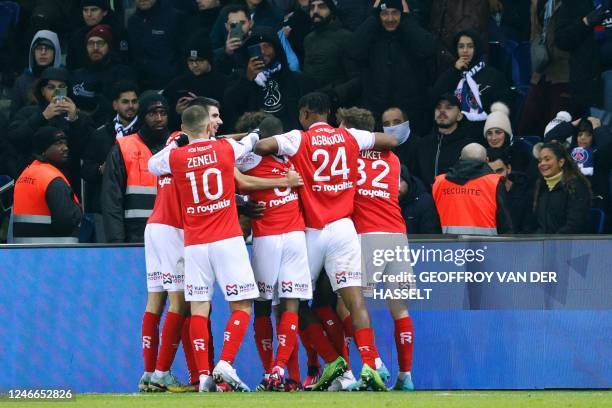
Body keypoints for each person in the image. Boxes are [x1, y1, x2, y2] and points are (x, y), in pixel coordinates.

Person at [255, 92, 400, 391]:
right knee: (353, 298)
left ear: (305, 113)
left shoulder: (298, 137)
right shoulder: (349, 137)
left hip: (312, 230)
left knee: (289, 303)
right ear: (329, 113)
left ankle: (334, 361)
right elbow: (390, 141)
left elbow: (263, 146)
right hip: (344, 228)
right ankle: (371, 363)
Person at [147, 106, 261, 392]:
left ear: (184, 129)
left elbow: (153, 165)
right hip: (226, 237)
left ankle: (203, 377)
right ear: (208, 127)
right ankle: (224, 363)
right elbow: (250, 143)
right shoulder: (224, 149)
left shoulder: (176, 157)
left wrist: (177, 142)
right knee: (243, 304)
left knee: (198, 306)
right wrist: (256, 134)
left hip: (195, 242)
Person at [335, 106, 416, 391]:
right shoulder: (393, 158)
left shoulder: (348, 154)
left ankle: (374, 364)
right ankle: (405, 376)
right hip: (396, 233)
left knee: (346, 304)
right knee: (400, 308)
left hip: (365, 235)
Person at [235, 115, 313, 391]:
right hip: (295, 236)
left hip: (269, 238)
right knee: (291, 303)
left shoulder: (251, 158)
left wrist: (240, 204)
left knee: (264, 306)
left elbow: (226, 169)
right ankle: (281, 370)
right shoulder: (297, 155)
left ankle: (272, 370)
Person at [350, 0, 437, 136]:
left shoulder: (411, 32)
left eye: (395, 13)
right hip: (376, 111)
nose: (390, 19)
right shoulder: (371, 36)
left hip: (412, 112)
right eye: (384, 14)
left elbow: (428, 48)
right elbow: (353, 49)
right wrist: (373, 17)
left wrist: (407, 20)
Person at [7, 67, 93, 193]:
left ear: (68, 90)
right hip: (33, 180)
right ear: (42, 90)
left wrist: (75, 120)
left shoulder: (79, 117)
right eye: (51, 87)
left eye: (61, 87)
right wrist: (42, 117)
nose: (56, 92)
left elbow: (86, 150)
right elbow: (14, 139)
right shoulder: (27, 112)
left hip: (68, 182)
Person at [101, 92, 168, 243]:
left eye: (163, 113)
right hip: (136, 237)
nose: (159, 118)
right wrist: (117, 242)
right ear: (143, 116)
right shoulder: (123, 148)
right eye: (152, 113)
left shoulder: (177, 146)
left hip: (173, 234)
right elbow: (112, 201)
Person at [81, 81, 139, 243]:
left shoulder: (145, 133)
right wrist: (101, 169)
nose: (131, 106)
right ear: (115, 105)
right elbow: (85, 169)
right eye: (125, 102)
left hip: (136, 209)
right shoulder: (100, 135)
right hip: (104, 209)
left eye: (134, 101)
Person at [224, 26, 311, 130]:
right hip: (256, 136)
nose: (263, 52)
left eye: (267, 46)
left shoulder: (295, 78)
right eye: (257, 47)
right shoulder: (239, 76)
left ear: (276, 49)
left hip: (289, 136)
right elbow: (230, 105)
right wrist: (247, 79)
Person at [12, 127, 82, 243]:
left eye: (65, 143)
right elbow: (66, 224)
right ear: (44, 149)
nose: (65, 148)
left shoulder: (25, 174)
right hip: (54, 253)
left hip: (24, 253)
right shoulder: (52, 179)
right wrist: (78, 210)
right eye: (59, 144)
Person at [432, 143, 513, 235]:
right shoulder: (494, 183)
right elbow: (505, 225)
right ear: (486, 160)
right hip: (486, 247)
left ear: (460, 159)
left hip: (446, 247)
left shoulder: (439, 182)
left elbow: (431, 223)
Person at [431, 29, 511, 122]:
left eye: (470, 46)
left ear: (477, 48)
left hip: (483, 129)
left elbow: (503, 107)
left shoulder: (493, 76)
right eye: (461, 47)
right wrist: (454, 71)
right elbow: (435, 97)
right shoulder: (450, 73)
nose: (465, 51)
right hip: (453, 130)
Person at [518, 0, 571, 137]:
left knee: (556, 130)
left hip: (563, 73)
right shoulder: (537, 3)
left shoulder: (571, 4)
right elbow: (534, 33)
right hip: (540, 71)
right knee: (527, 126)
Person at [408, 93, 484, 188]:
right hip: (427, 200)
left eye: (448, 107)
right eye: (438, 107)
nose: (442, 111)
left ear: (459, 116)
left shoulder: (468, 146)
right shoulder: (422, 144)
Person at [70, 24, 137, 127]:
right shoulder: (77, 74)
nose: (95, 48)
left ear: (109, 46)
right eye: (91, 43)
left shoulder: (122, 73)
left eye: (100, 43)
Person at [555, 0, 612, 115]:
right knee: (596, 125)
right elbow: (562, 40)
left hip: (608, 72)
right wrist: (585, 22)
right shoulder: (573, 4)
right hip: (588, 78)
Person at [163, 32, 228, 131]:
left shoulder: (223, 82)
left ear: (208, 59)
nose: (194, 65)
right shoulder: (178, 84)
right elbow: (164, 109)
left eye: (199, 60)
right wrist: (176, 111)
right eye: (191, 61)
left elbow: (228, 112)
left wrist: (201, 105)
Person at [302, 0, 360, 108]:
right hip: (312, 105)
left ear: (332, 10)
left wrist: (334, 95)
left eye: (321, 7)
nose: (315, 11)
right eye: (312, 7)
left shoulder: (346, 37)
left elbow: (357, 78)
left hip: (340, 106)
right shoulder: (308, 39)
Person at [532, 142, 592, 233]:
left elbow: (574, 225)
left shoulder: (576, 187)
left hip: (568, 244)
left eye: (547, 159)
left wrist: (552, 242)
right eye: (540, 161)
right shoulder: (541, 187)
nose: (542, 164)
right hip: (544, 244)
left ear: (561, 162)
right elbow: (538, 225)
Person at [127, 0, 186, 89]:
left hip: (168, 83)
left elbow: (183, 52)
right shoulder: (132, 21)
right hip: (139, 83)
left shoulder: (175, 17)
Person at [11, 30, 62, 117]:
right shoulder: (21, 81)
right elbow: (14, 119)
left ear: (56, 52)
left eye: (48, 48)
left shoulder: (64, 78)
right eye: (39, 48)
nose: (43, 52)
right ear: (33, 52)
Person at [66, 0, 129, 71]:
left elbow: (126, 60)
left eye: (94, 10)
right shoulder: (77, 36)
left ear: (105, 12)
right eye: (85, 10)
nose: (89, 14)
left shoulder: (118, 33)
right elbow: (71, 66)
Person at [487, 147, 533, 233]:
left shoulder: (525, 190)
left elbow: (529, 227)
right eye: (490, 172)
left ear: (509, 168)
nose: (496, 177)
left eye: (499, 171)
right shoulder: (482, 195)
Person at [482, 102, 532, 173]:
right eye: (489, 133)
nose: (493, 138)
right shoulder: (483, 154)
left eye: (498, 132)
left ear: (507, 134)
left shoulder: (522, 150)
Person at [399, 166, 442, 234]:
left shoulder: (424, 202)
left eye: (400, 181)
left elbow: (431, 236)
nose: (396, 186)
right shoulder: (384, 202)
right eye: (392, 182)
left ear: (407, 180)